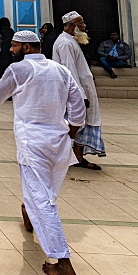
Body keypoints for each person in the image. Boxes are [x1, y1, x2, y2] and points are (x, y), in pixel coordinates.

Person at [0, 29, 86, 275]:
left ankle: (62, 260)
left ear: (27, 48)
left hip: (32, 141)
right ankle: (28, 213)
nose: (11, 50)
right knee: (45, 189)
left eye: (14, 46)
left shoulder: (20, 70)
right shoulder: (61, 70)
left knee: (43, 198)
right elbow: (78, 105)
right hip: (59, 141)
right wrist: (71, 130)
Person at [53, 11, 105, 170]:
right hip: (74, 93)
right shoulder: (65, 43)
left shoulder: (71, 41)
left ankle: (77, 157)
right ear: (70, 26)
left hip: (80, 89)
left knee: (79, 125)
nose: (84, 26)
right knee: (73, 125)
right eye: (80, 23)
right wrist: (80, 96)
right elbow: (69, 71)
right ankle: (65, 157)